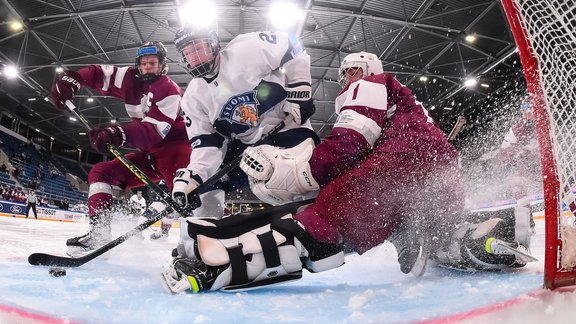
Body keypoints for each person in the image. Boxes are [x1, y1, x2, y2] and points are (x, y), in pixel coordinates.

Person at [161, 51, 536, 293]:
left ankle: (217, 266)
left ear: (371, 69)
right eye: (345, 73)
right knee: (437, 235)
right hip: (436, 180)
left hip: (398, 171)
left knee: (320, 227)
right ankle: (494, 231)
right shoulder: (401, 102)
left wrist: (303, 173)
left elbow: (349, 143)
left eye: (354, 70)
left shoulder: (374, 84)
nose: (347, 78)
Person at [50, 41, 191, 256]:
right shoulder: (129, 77)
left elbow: (154, 132)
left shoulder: (169, 89)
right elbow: (99, 74)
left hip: (176, 152)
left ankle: (195, 245)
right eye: (143, 63)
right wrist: (73, 80)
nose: (147, 67)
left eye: (153, 63)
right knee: (100, 172)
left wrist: (118, 133)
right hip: (151, 155)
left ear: (163, 65)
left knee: (184, 197)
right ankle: (99, 233)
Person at [169, 24, 319, 218]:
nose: (195, 56)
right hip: (249, 146)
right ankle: (206, 230)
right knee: (205, 184)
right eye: (188, 53)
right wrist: (195, 176)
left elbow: (291, 43)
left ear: (213, 44)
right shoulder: (193, 97)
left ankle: (311, 222)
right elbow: (207, 145)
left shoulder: (244, 50)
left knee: (294, 174)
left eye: (198, 48)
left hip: (287, 129)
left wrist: (300, 86)